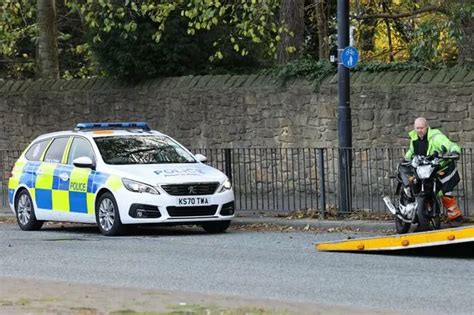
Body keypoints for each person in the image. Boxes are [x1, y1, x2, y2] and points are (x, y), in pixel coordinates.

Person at [404, 117, 463, 225]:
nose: (419, 130)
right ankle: (423, 215)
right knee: (419, 189)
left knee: (445, 192)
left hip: (441, 168)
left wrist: (454, 151)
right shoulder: (414, 139)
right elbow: (411, 151)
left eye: (421, 128)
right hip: (425, 170)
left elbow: (449, 144)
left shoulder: (436, 137)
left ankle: (455, 217)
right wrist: (405, 159)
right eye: (417, 128)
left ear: (426, 127)